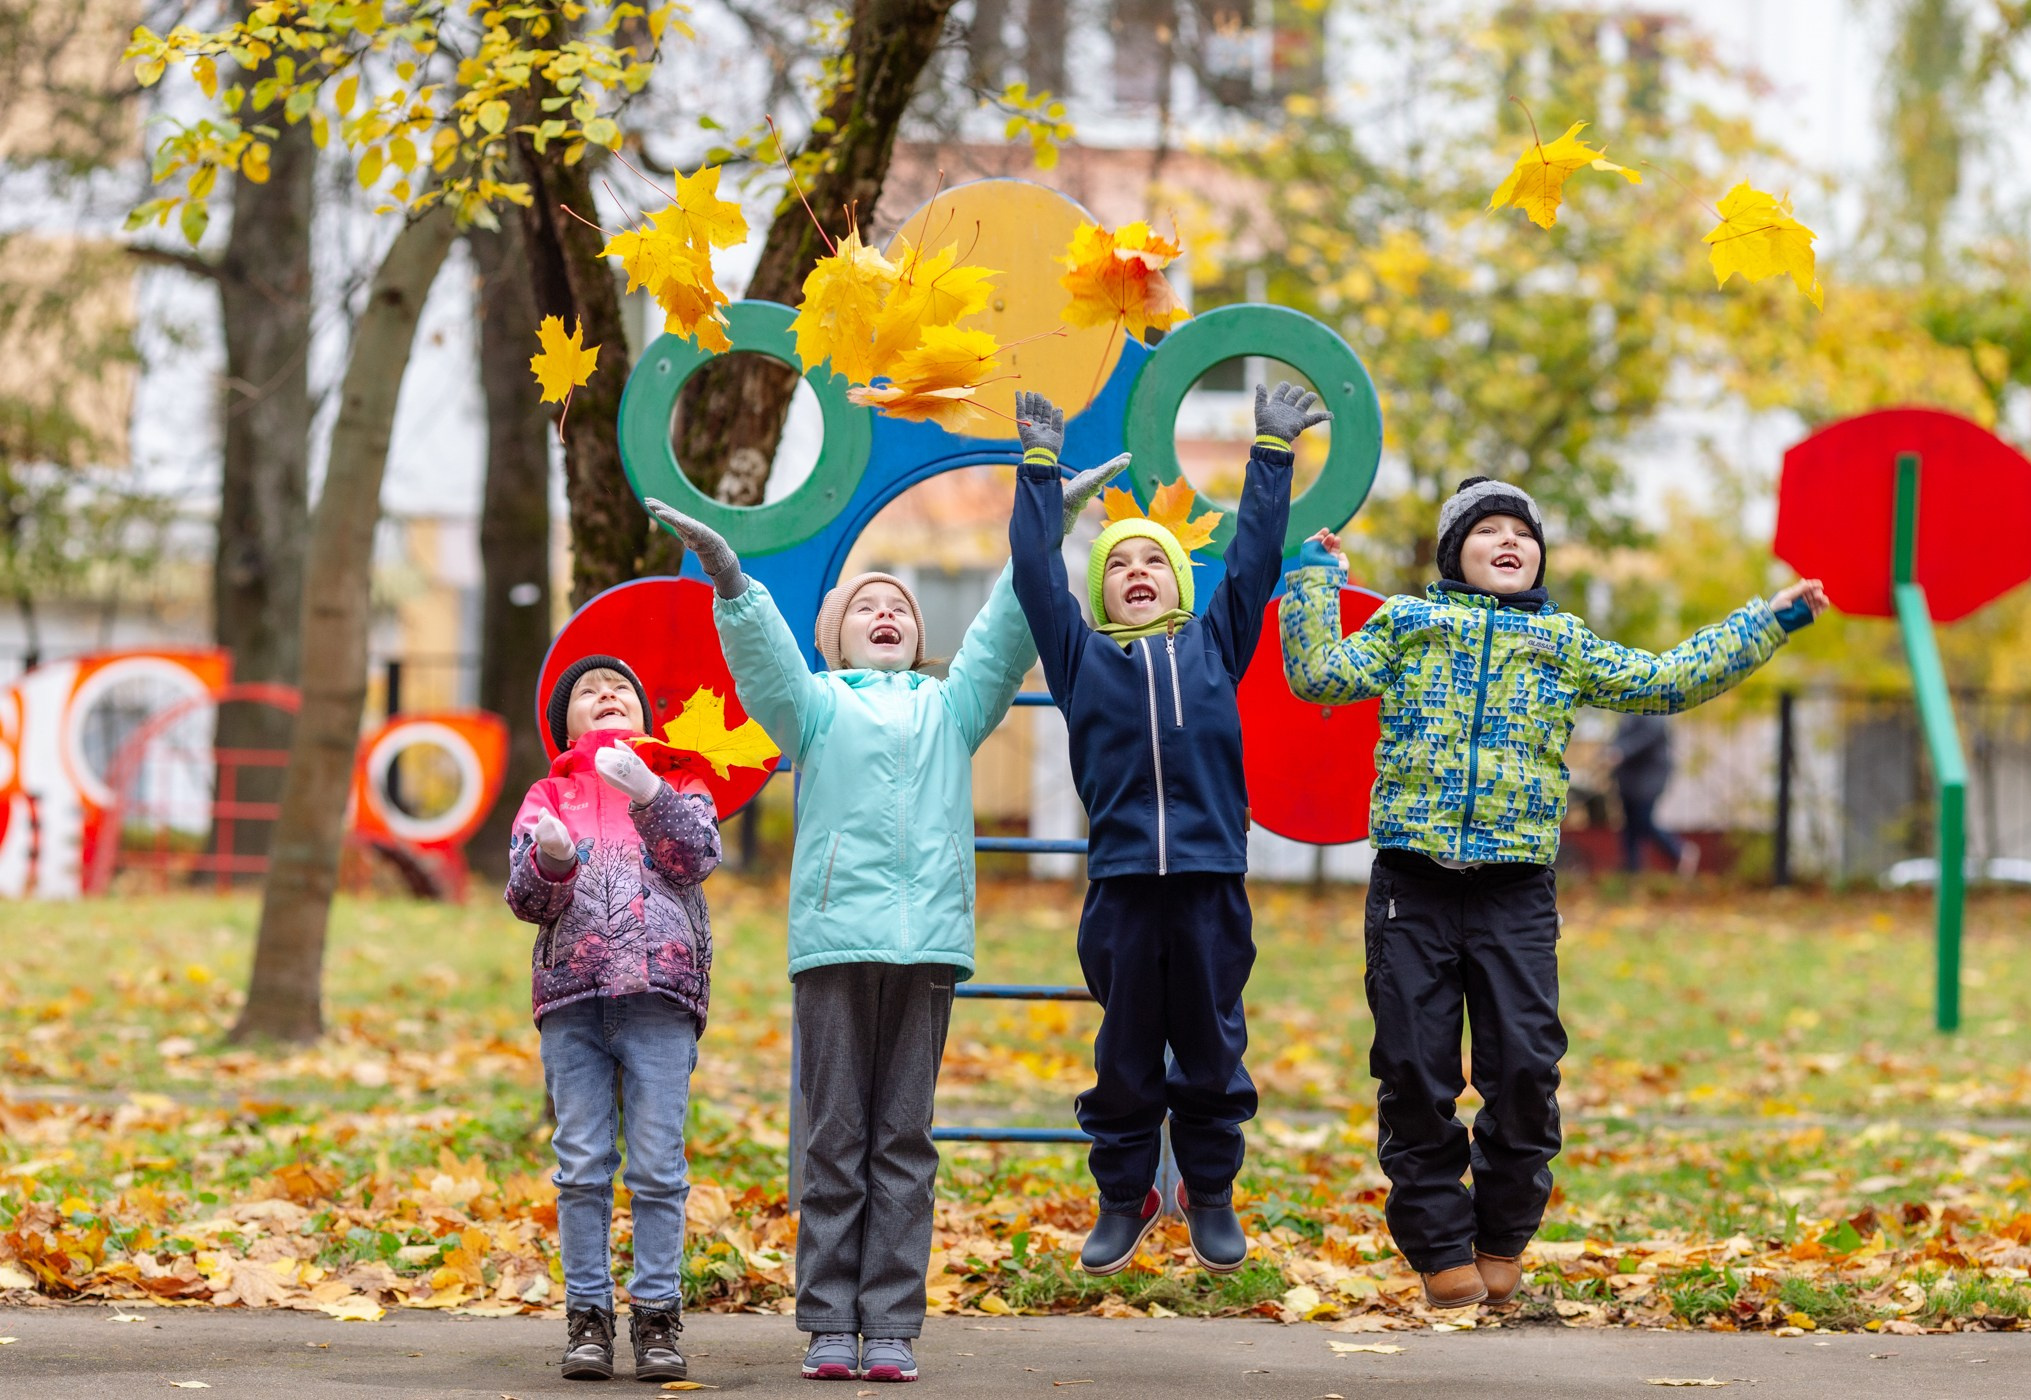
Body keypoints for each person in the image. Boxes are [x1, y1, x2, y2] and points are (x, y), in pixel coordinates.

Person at [1281, 477, 1826, 1309]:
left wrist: (1768, 621)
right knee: (1415, 1073)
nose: (1509, 542)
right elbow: (1320, 676)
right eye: (1487, 529)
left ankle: (1502, 1233)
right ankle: (1437, 1246)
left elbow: (1665, 679)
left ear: (1538, 556)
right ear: (1453, 550)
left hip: (1515, 893)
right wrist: (1312, 583)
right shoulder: (1409, 623)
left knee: (1528, 1069)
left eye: (1523, 533)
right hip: (1412, 890)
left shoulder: (1564, 642)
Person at [645, 437, 1118, 1383]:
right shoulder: (812, 708)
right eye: (867, 605)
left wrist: (1048, 523)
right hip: (833, 946)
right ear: (837, 636)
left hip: (928, 946)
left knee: (903, 1138)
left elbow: (1003, 630)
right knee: (834, 1138)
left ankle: (891, 1322)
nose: (886, 613)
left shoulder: (954, 709)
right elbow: (766, 663)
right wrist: (733, 582)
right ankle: (829, 1321)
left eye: (898, 606)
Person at [1009, 382, 1332, 1278]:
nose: (1139, 571)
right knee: (1124, 1054)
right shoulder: (1081, 659)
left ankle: (1210, 1190)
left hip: (1209, 882)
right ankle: (1126, 1195)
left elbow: (1257, 559)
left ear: (1180, 582)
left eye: (1154, 561)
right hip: (1119, 887)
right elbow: (1037, 574)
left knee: (1210, 1048)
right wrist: (1039, 468)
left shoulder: (1216, 642)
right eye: (1120, 564)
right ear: (1104, 588)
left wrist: (1271, 454)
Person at [506, 655, 723, 1382]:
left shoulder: (682, 782)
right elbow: (527, 900)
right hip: (573, 1002)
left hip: (660, 999)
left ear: (643, 717)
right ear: (562, 722)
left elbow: (695, 858)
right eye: (588, 693)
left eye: (621, 690)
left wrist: (653, 793)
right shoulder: (549, 793)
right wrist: (553, 862)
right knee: (582, 1165)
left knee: (659, 1166)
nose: (605, 696)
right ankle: (587, 1318)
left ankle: (658, 1315)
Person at [1612, 712, 1695, 875]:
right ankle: (1632, 868)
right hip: (1629, 779)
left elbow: (1646, 737)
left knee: (1643, 820)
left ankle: (1680, 850)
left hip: (1648, 779)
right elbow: (1620, 736)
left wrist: (1621, 751)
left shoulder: (1654, 710)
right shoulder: (1628, 709)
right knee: (1630, 824)